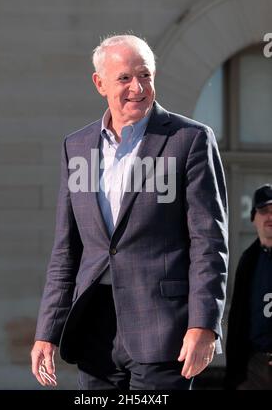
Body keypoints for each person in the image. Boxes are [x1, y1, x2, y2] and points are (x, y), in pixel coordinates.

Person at [31, 34, 228, 390]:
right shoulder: (76, 147)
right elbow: (66, 251)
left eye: (146, 75)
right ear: (99, 83)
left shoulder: (190, 139)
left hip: (165, 330)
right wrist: (47, 332)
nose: (137, 87)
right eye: (124, 78)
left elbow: (209, 242)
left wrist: (204, 325)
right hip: (95, 331)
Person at [225, 184, 272, 390]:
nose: (270, 216)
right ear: (253, 217)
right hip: (252, 365)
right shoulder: (248, 260)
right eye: (263, 211)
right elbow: (238, 318)